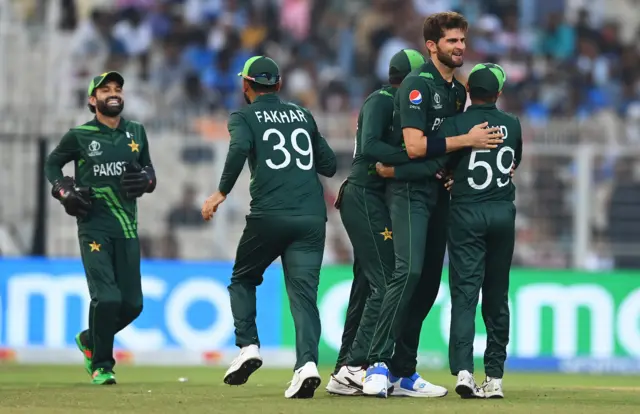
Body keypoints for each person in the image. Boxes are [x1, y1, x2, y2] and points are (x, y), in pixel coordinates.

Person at [363, 12, 504, 398]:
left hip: (438, 192)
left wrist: (449, 169)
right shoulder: (416, 85)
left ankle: (403, 371)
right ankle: (374, 362)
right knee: (407, 272)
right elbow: (414, 146)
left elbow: (441, 147)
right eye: (452, 41)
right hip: (410, 194)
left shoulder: (457, 91)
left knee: (427, 285)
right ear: (432, 46)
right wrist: (465, 142)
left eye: (462, 40)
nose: (460, 47)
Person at [379, 62, 521, 399]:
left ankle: (463, 372)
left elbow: (437, 164)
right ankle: (496, 376)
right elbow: (513, 161)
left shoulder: (456, 125)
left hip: (466, 214)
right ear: (499, 93)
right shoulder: (513, 125)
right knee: (497, 297)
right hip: (502, 213)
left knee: (465, 295)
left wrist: (396, 173)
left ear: (468, 92)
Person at [201, 56, 337, 399]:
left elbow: (239, 148)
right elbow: (330, 165)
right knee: (304, 297)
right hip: (310, 216)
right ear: (277, 85)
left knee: (243, 279)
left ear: (246, 86)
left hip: (270, 215)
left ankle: (248, 346)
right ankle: (306, 365)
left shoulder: (243, 116)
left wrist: (220, 193)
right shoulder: (303, 115)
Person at [44, 71, 156, 385]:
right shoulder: (79, 136)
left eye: (117, 88)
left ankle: (89, 338)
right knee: (107, 298)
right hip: (94, 227)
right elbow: (52, 164)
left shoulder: (136, 131)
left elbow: (148, 170)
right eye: (105, 89)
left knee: (132, 305)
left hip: (128, 228)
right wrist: (62, 190)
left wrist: (148, 180)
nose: (114, 93)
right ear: (93, 100)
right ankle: (102, 365)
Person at [327, 49, 426, 396]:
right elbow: (369, 146)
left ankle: (345, 367)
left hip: (373, 200)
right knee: (386, 284)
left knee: (366, 286)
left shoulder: (396, 103)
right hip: (365, 197)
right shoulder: (382, 101)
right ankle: (356, 365)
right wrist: (412, 156)